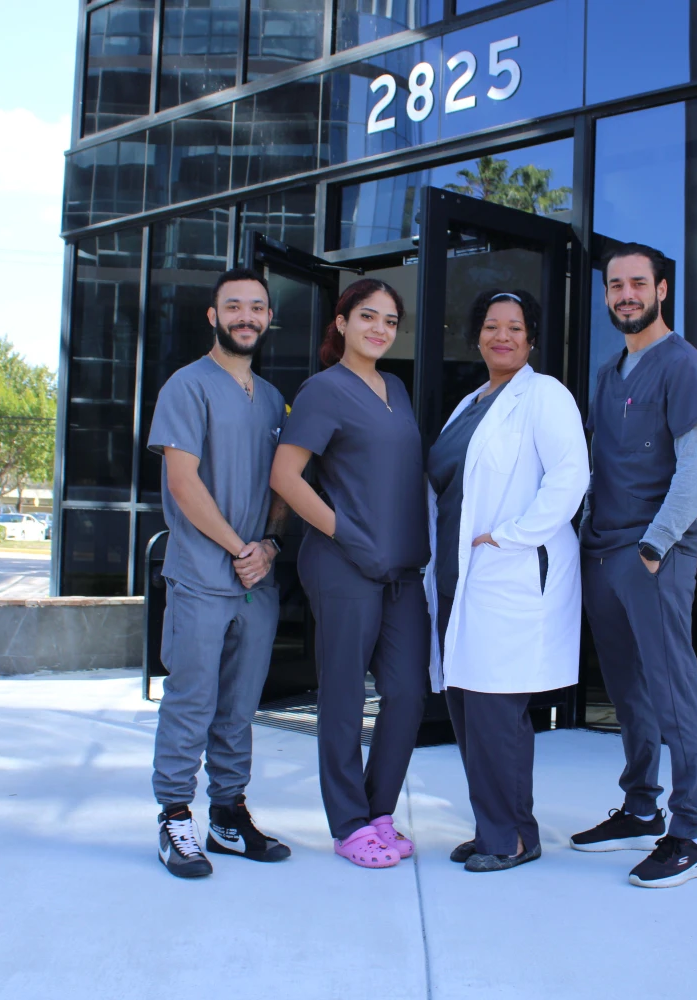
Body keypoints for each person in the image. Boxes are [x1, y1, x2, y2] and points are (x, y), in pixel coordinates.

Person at [269, 279, 431, 869]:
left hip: (402, 571)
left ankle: (378, 812)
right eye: (367, 316)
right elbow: (285, 477)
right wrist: (349, 536)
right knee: (341, 695)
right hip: (343, 565)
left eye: (390, 320)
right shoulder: (322, 390)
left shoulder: (396, 388)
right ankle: (347, 825)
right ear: (341, 323)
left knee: (409, 693)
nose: (380, 329)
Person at [425, 290, 589, 873]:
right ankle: (497, 825)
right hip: (460, 574)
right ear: (477, 337)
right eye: (491, 326)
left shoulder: (544, 395)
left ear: (531, 338)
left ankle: (513, 838)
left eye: (515, 327)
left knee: (497, 711)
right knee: (469, 708)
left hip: (509, 571)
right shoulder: (470, 402)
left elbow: (571, 478)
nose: (502, 336)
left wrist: (512, 536)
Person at [575, 243, 697, 889]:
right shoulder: (607, 373)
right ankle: (640, 808)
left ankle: (689, 831)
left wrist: (656, 546)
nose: (625, 294)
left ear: (663, 290)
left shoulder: (685, 366)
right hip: (602, 550)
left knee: (672, 692)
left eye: (638, 283)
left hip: (652, 554)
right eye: (615, 285)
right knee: (627, 691)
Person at [146, 266, 292, 879]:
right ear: (213, 316)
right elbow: (183, 482)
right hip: (204, 576)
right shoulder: (188, 386)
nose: (246, 317)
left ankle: (228, 814)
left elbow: (285, 485)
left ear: (268, 318)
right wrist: (241, 548)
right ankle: (175, 816)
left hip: (257, 582)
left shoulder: (273, 399)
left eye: (257, 307)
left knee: (239, 706)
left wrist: (271, 548)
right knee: (191, 698)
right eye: (234, 306)